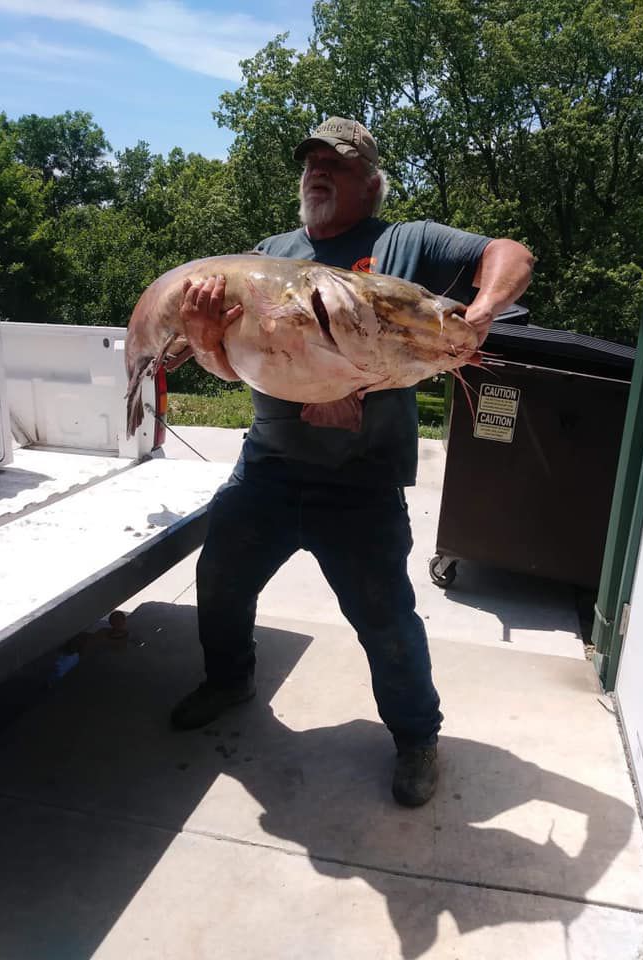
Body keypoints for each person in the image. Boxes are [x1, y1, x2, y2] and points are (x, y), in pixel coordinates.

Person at [170, 117, 534, 807]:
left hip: (361, 480)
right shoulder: (267, 254)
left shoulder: (407, 242)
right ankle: (229, 679)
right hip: (268, 466)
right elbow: (230, 368)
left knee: (386, 621)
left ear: (370, 181)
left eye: (334, 166)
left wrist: (481, 311)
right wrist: (205, 340)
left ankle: (418, 737)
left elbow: (511, 252)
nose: (316, 174)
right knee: (218, 580)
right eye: (310, 164)